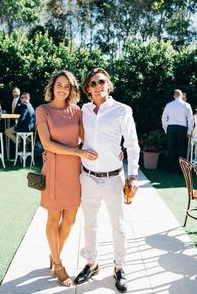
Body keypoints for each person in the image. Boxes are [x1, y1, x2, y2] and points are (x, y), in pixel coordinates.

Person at [74, 68, 140, 293]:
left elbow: (132, 144)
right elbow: (76, 135)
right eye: (93, 83)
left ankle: (119, 268)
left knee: (118, 226)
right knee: (90, 224)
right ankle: (91, 264)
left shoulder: (122, 110)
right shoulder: (83, 110)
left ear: (108, 84)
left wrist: (132, 175)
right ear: (87, 89)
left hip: (113, 178)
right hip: (88, 177)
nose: (98, 85)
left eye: (102, 81)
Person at [36, 70, 98, 287]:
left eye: (67, 86)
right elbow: (47, 144)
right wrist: (78, 153)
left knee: (70, 221)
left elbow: (88, 137)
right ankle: (59, 264)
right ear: (52, 86)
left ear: (72, 89)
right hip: (53, 169)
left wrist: (112, 149)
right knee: (53, 219)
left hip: (73, 172)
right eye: (59, 85)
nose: (62, 89)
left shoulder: (77, 111)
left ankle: (54, 254)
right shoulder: (42, 110)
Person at [162, 89, 193, 173]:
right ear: (182, 96)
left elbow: (164, 118)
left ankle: (170, 168)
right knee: (181, 149)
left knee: (170, 148)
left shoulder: (169, 105)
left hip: (171, 128)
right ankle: (181, 170)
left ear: (174, 96)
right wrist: (189, 131)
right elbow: (190, 119)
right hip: (182, 128)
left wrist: (166, 129)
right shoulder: (187, 105)